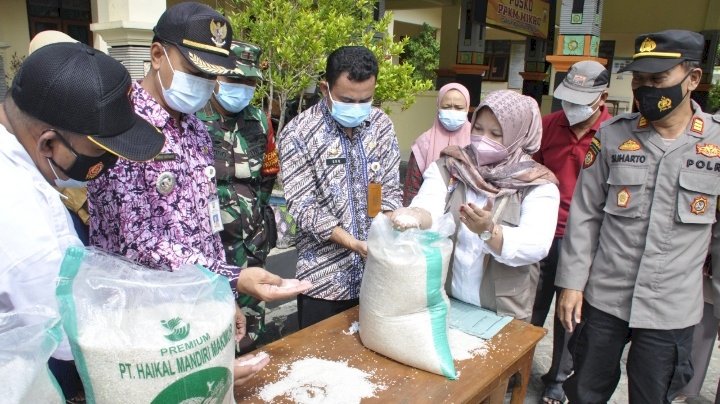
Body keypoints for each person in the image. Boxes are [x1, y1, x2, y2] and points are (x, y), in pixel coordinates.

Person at [85, 2, 310, 386]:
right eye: (196, 72)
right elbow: (141, 244)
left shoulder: (194, 129)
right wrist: (234, 277)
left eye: (213, 76)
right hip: (143, 319)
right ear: (158, 55)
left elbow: (207, 223)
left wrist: (225, 297)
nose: (205, 86)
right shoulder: (121, 129)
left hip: (199, 304)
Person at [555, 29, 720, 403]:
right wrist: (572, 283)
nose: (646, 89)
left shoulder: (715, 145)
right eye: (639, 79)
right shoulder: (612, 136)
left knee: (653, 395)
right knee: (584, 391)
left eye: (658, 80)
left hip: (671, 307)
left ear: (692, 79)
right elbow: (585, 215)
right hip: (605, 298)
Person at [0, 41, 164, 399]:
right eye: (101, 151)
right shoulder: (14, 206)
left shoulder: (22, 161)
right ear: (48, 144)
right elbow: (69, 334)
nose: (110, 164)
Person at [391, 90, 560, 321]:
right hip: (447, 299)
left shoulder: (537, 185)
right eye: (478, 129)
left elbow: (536, 245)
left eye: (496, 133)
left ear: (517, 135)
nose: (483, 138)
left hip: (502, 311)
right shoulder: (452, 166)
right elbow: (428, 202)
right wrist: (416, 216)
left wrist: (489, 232)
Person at [278, 45, 402, 329]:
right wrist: (352, 243)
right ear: (325, 89)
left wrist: (390, 221)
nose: (358, 108)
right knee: (322, 367)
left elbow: (391, 189)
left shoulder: (381, 126)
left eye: (366, 100)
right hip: (324, 282)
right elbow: (303, 207)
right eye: (347, 99)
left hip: (377, 277)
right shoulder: (299, 134)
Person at [530, 60, 612, 404]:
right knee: (530, 307)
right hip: (541, 231)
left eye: (581, 100)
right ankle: (515, 365)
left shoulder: (613, 133)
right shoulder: (548, 125)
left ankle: (558, 379)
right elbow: (529, 168)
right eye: (568, 99)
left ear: (602, 97)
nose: (572, 108)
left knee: (570, 315)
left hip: (583, 240)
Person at [197, 40, 278, 354]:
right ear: (217, 77)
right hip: (210, 252)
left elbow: (268, 175)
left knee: (251, 334)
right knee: (213, 337)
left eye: (249, 81)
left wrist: (253, 214)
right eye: (234, 79)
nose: (242, 87)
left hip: (251, 245)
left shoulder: (258, 121)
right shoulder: (193, 119)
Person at [403, 83, 472, 206]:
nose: (452, 111)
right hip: (428, 215)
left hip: (468, 216)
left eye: (458, 107)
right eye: (446, 107)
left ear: (467, 108)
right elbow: (411, 189)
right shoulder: (423, 143)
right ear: (438, 106)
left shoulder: (476, 142)